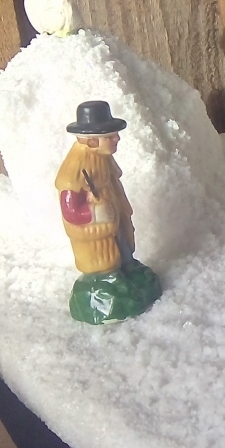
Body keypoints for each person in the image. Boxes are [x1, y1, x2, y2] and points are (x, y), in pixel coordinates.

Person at [56, 100, 161, 323]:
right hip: (97, 234)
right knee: (105, 260)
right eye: (110, 136)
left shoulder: (103, 160)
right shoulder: (74, 170)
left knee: (123, 249)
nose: (117, 139)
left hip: (116, 222)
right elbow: (70, 211)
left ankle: (127, 267)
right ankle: (107, 281)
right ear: (91, 140)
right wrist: (95, 214)